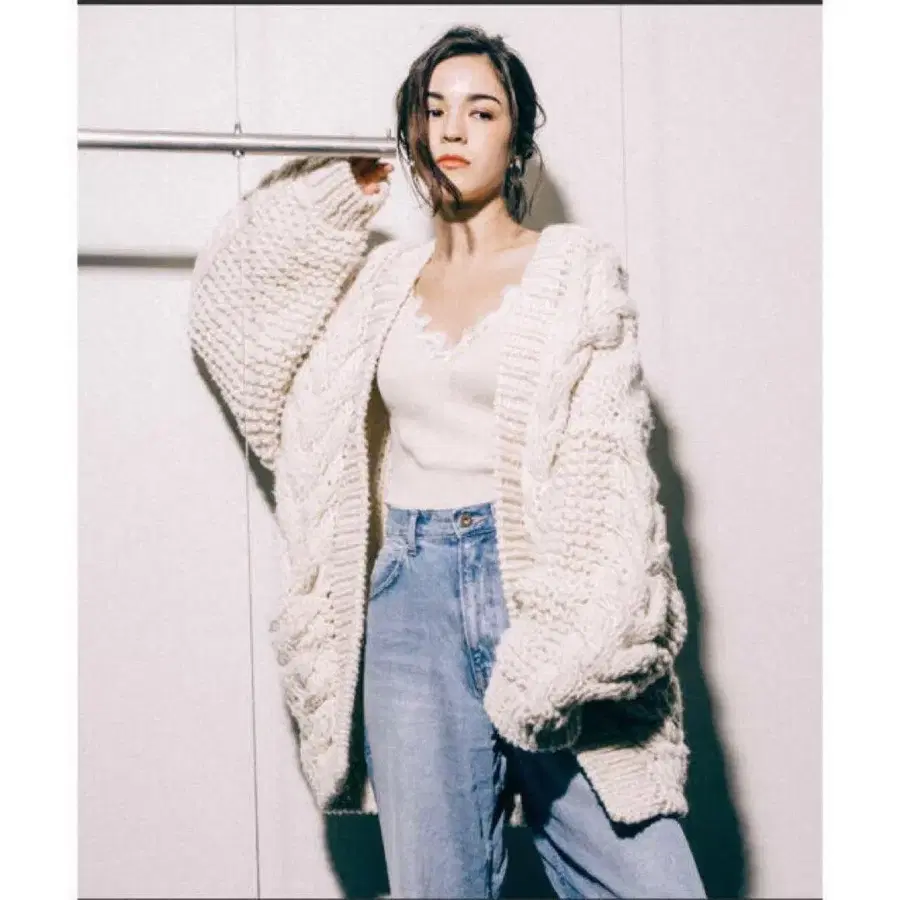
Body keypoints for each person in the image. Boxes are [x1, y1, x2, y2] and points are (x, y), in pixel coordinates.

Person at [189, 23, 706, 900]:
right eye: (434, 111)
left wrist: (556, 657)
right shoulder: (378, 284)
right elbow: (233, 319)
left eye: (482, 110)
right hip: (409, 604)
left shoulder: (573, 269)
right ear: (414, 130)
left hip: (543, 590)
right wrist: (334, 199)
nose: (454, 129)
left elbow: (608, 472)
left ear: (517, 137)